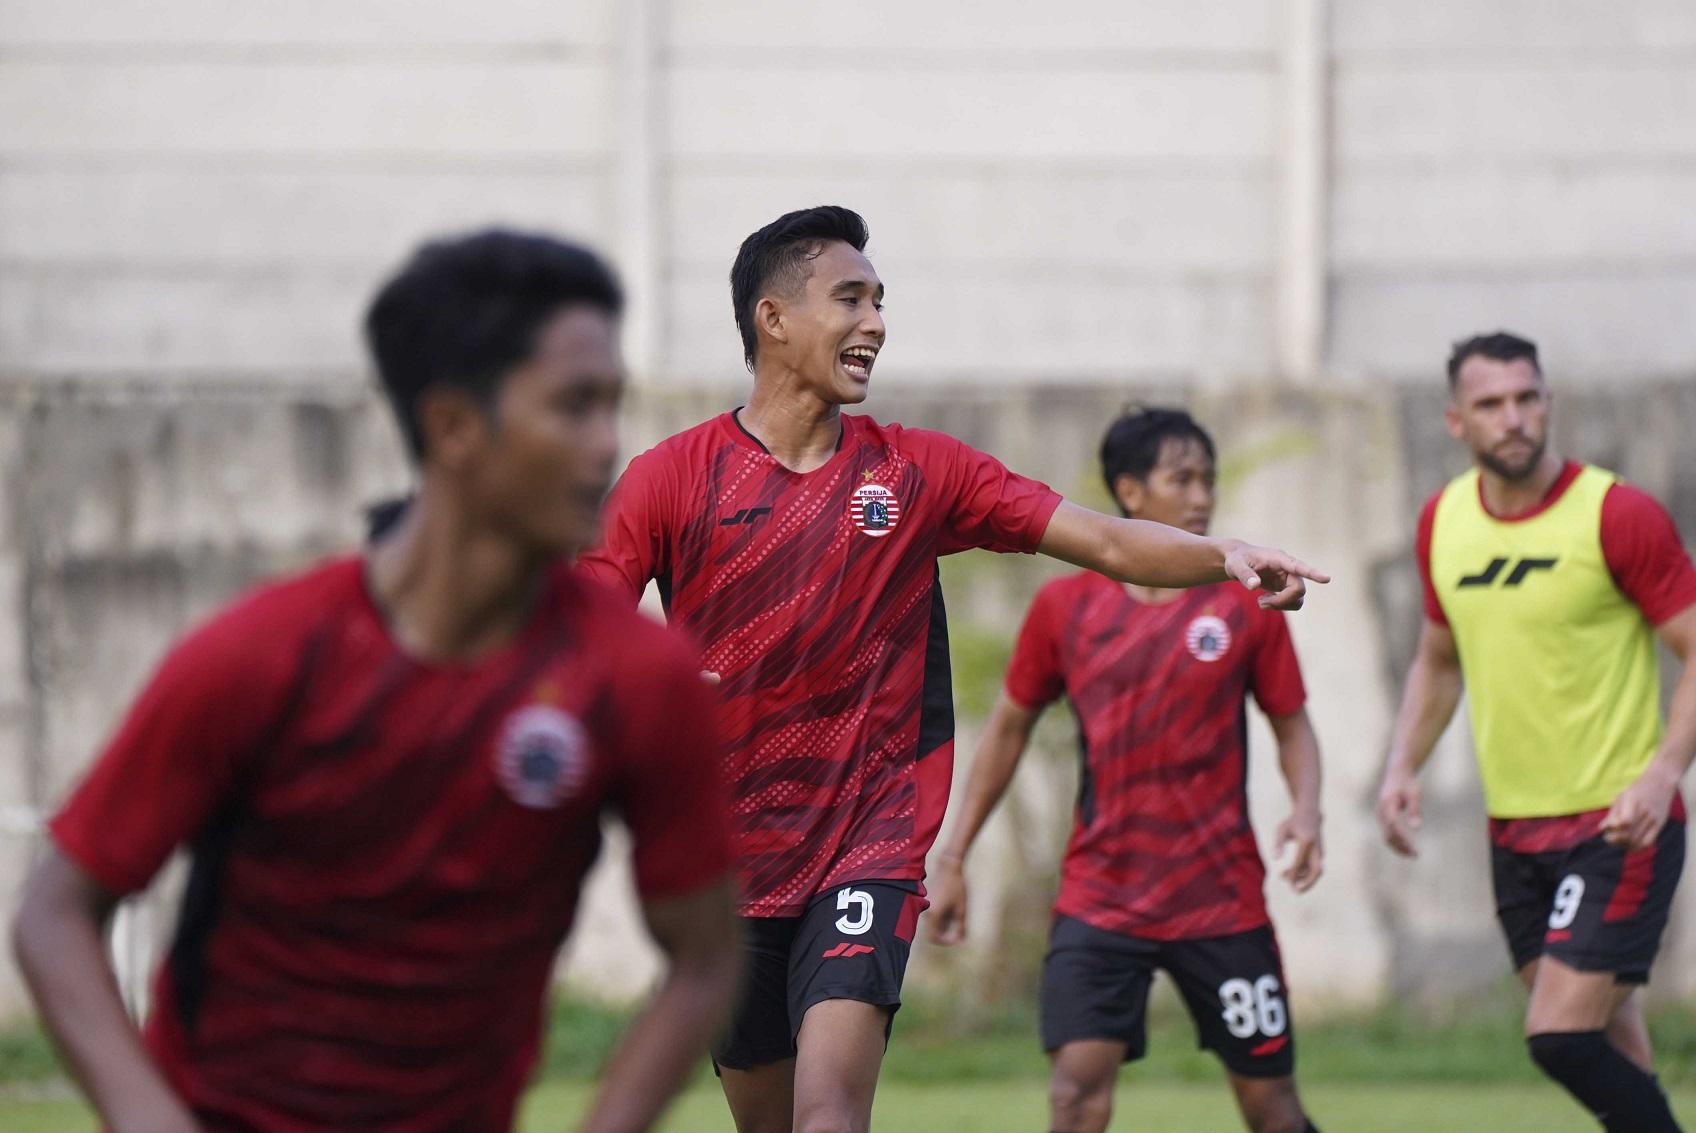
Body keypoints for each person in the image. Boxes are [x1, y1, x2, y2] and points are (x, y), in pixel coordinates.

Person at [576, 205, 1327, 1133]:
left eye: (880, 302)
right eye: (850, 299)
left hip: (868, 844)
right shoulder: (671, 478)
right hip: (729, 857)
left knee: (827, 1118)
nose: (877, 323)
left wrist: (1227, 555)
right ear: (773, 321)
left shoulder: (918, 472)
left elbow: (1101, 538)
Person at [11, 230, 741, 1133]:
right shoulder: (262, 654)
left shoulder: (637, 677)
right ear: (452, 427)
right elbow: (56, 911)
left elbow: (707, 954)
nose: (607, 447)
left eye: (612, 406)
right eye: (573, 407)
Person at [927, 407, 1325, 1133]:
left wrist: (1306, 811)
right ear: (1130, 492)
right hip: (1101, 900)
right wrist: (952, 854)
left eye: (1208, 477)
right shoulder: (1066, 607)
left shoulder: (1245, 605)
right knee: (1075, 1094)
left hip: (1221, 899)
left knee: (1272, 1105)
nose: (1203, 495)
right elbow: (1009, 728)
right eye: (1183, 478)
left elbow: (1292, 723)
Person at [1375, 331, 1696, 1132]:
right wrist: (1400, 765)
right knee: (1610, 1039)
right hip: (1515, 831)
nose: (1512, 418)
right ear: (1456, 420)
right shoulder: (1443, 523)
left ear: (1548, 402)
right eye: (1490, 404)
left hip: (1619, 824)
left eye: (1527, 397)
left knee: (1558, 1035)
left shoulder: (1616, 514)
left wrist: (1662, 773)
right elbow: (1439, 662)